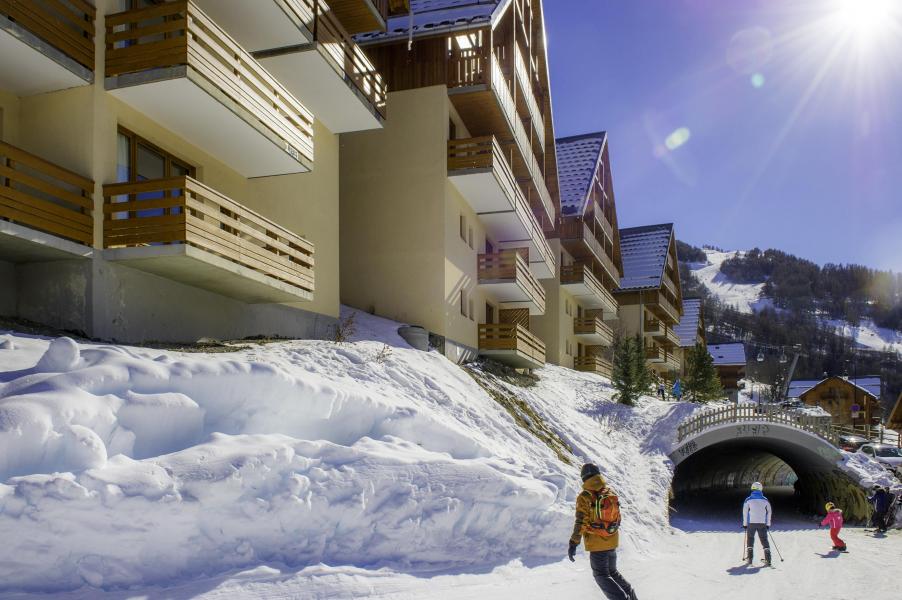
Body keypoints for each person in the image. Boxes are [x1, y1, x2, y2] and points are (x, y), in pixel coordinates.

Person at [568, 463, 638, 600]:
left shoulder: (585, 496)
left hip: (597, 543)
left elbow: (581, 521)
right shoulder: (609, 491)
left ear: (584, 478)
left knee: (601, 575)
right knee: (612, 572)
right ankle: (632, 596)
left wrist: (573, 542)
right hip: (612, 540)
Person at [741, 481, 772, 566]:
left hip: (751, 523)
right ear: (761, 489)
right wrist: (768, 523)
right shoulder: (765, 500)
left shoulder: (748, 500)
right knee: (764, 539)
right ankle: (768, 559)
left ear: (752, 489)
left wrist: (745, 524)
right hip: (762, 523)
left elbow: (745, 513)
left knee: (750, 539)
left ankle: (750, 559)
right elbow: (769, 512)